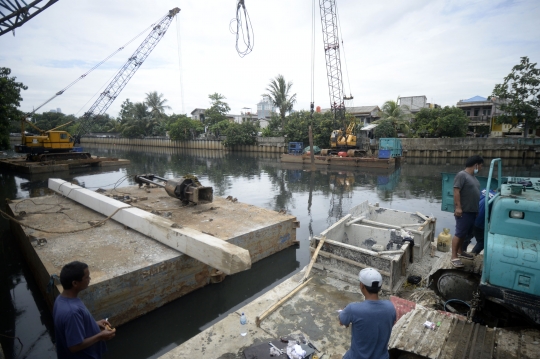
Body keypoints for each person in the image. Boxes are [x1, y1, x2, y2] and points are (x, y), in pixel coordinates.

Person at [53, 261, 115, 359]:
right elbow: (74, 346)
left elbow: (72, 326)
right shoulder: (72, 312)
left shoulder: (61, 299)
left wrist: (95, 323)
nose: (89, 279)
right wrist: (100, 336)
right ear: (75, 283)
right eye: (86, 277)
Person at [338, 268, 396, 359]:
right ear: (379, 287)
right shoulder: (390, 307)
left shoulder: (353, 309)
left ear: (362, 285)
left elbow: (342, 320)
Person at [451, 155, 483, 268]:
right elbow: (456, 191)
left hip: (472, 212)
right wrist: (458, 207)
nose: (481, 168)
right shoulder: (462, 175)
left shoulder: (474, 178)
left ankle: (460, 251)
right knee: (459, 233)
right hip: (464, 211)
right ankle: (454, 256)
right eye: (480, 166)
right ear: (476, 165)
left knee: (465, 233)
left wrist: (476, 210)